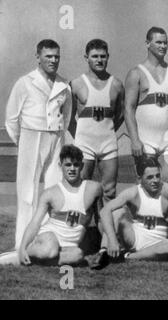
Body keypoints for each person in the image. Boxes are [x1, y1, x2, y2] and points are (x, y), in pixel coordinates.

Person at [4, 39, 72, 250]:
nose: (53, 60)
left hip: (56, 138)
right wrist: (24, 142)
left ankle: (50, 242)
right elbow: (11, 119)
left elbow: (67, 116)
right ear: (38, 57)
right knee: (27, 193)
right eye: (48, 56)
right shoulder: (24, 82)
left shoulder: (63, 84)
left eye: (56, 56)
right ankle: (21, 245)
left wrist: (58, 136)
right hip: (31, 137)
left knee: (54, 189)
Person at [0, 145, 102, 266]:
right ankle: (20, 254)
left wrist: (106, 245)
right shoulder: (50, 193)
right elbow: (35, 223)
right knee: (50, 249)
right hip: (49, 238)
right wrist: (22, 246)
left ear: (82, 166)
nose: (72, 169)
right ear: (60, 166)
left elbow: (101, 219)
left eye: (76, 164)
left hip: (69, 246)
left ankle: (38, 260)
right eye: (68, 165)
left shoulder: (94, 188)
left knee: (78, 255)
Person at [124, 26, 168, 183]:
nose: (163, 46)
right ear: (147, 43)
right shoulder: (136, 73)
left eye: (165, 43)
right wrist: (134, 139)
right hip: (146, 139)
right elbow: (128, 108)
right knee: (146, 185)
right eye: (158, 42)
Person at [96, 157, 168, 264]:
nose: (155, 180)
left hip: (158, 242)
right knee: (116, 212)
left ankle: (127, 256)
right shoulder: (133, 192)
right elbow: (105, 211)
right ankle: (103, 250)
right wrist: (112, 240)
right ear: (140, 179)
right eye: (150, 177)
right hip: (134, 238)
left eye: (157, 176)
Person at [69, 39, 124, 203]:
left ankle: (104, 227)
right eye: (94, 56)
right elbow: (68, 117)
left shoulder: (116, 84)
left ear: (108, 57)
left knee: (109, 190)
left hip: (108, 143)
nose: (99, 60)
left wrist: (108, 132)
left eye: (103, 56)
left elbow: (120, 115)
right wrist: (78, 137)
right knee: (82, 189)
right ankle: (83, 228)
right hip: (84, 144)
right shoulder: (76, 83)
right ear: (86, 57)